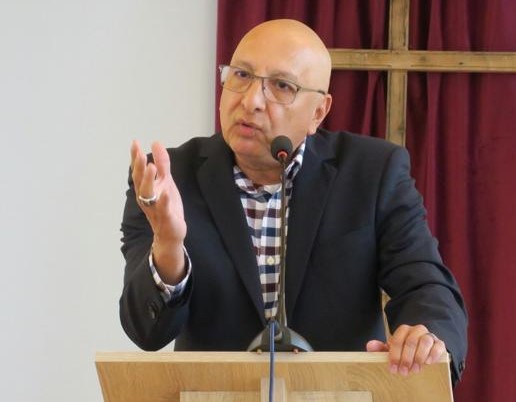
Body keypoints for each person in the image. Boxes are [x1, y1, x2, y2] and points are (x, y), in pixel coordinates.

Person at [120, 19, 467, 384]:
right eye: (241, 75)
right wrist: (169, 246)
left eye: (281, 86)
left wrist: (425, 337)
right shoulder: (168, 180)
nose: (251, 101)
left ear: (318, 112)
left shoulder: (372, 173)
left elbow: (425, 285)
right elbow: (146, 332)